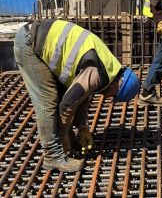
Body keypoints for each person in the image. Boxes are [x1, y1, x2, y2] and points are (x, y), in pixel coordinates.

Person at [14, 19, 141, 172]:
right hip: (30, 45)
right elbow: (67, 105)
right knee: (48, 101)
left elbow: (82, 94)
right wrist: (64, 135)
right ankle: (53, 155)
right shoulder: (97, 73)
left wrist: (82, 127)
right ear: (118, 85)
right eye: (113, 95)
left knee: (63, 96)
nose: (108, 97)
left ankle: (64, 141)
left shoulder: (110, 67)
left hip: (39, 38)